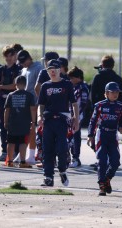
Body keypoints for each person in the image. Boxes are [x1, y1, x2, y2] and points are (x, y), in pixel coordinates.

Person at [37, 59, 79, 187]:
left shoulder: (67, 84)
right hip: (48, 120)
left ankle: (62, 170)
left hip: (62, 121)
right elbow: (41, 104)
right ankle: (48, 176)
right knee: (47, 149)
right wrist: (40, 116)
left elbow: (74, 103)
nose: (52, 72)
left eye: (54, 69)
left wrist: (75, 118)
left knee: (62, 148)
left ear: (60, 70)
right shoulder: (45, 86)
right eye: (50, 70)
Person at [87, 82, 122, 196]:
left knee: (116, 161)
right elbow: (93, 121)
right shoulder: (99, 106)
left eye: (117, 92)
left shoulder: (121, 106)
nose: (115, 94)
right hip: (101, 134)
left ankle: (107, 178)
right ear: (106, 93)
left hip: (113, 135)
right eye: (112, 92)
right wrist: (90, 136)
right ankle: (102, 185)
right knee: (102, 160)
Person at [0, 46, 21, 161]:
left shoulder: (18, 69)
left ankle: (16, 152)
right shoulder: (1, 69)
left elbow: (14, 86)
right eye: (6, 56)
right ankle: (5, 151)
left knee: (15, 126)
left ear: (14, 56)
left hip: (14, 100)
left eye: (11, 55)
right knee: (3, 126)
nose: (9, 58)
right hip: (2, 99)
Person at [17, 50, 43, 164]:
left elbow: (40, 87)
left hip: (35, 103)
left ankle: (32, 155)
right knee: (24, 129)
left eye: (24, 61)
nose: (22, 64)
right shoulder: (23, 70)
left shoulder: (38, 68)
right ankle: (21, 153)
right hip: (24, 103)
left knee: (33, 129)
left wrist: (39, 104)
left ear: (29, 58)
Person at [4, 75, 36, 168]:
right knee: (23, 142)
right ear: (25, 84)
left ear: (16, 84)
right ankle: (22, 162)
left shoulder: (11, 95)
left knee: (10, 141)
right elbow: (33, 109)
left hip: (12, 122)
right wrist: (33, 122)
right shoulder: (29, 95)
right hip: (25, 122)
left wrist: (5, 121)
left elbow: (7, 110)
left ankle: (9, 161)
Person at [67, 66, 90, 168]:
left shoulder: (82, 88)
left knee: (75, 137)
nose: (70, 80)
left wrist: (76, 116)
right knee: (70, 136)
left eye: (72, 78)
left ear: (78, 77)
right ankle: (70, 157)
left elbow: (83, 103)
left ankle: (76, 158)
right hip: (70, 114)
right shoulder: (73, 87)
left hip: (78, 115)